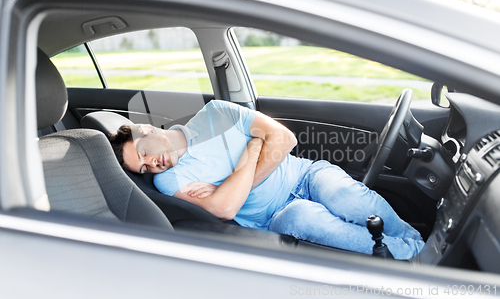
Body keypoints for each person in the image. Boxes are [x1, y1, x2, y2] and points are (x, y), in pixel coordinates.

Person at [109, 100, 424, 259]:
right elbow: (224, 209)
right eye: (145, 169)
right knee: (304, 216)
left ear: (146, 130)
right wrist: (252, 147)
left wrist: (232, 183)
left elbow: (284, 138)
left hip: (303, 173)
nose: (153, 164)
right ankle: (415, 260)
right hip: (275, 217)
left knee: (343, 194)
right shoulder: (168, 181)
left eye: (144, 153)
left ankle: (420, 244)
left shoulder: (216, 112)